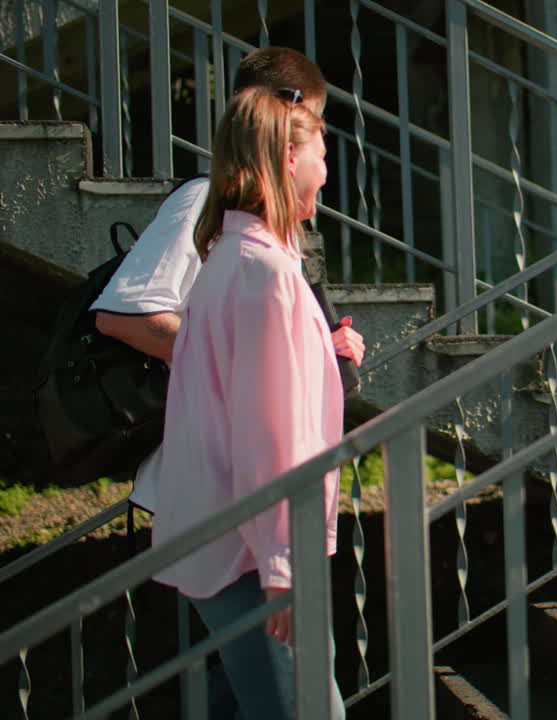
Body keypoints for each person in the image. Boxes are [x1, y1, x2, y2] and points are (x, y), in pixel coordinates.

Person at [90, 47, 364, 512]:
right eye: (303, 123)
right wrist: (244, 371)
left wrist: (320, 349)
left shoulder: (267, 226)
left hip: (239, 482)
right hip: (207, 487)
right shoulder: (206, 200)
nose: (308, 141)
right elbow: (122, 317)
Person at [152, 86, 344, 719]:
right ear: (289, 159)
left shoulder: (232, 259)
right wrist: (284, 564)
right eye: (321, 149)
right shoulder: (264, 273)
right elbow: (269, 435)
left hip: (238, 546)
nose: (328, 165)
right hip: (251, 555)